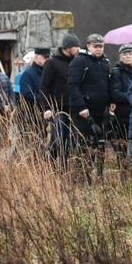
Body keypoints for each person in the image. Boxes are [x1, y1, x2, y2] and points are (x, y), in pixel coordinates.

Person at [67, 34, 113, 180]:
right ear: (88, 46)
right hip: (84, 110)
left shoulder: (105, 62)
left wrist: (110, 101)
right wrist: (81, 107)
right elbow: (73, 86)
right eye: (95, 46)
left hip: (100, 110)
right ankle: (83, 177)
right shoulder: (80, 60)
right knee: (85, 145)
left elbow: (106, 84)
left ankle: (98, 176)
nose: (98, 49)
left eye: (101, 46)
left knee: (98, 145)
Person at [41, 33, 81, 167]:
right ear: (67, 47)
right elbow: (44, 87)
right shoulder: (52, 63)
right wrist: (47, 108)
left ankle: (65, 168)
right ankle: (50, 167)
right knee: (57, 141)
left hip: (74, 108)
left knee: (71, 142)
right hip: (58, 109)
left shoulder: (76, 62)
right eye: (75, 46)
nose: (78, 49)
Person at [109, 43, 132, 144]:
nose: (128, 56)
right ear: (121, 57)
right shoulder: (117, 72)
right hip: (123, 115)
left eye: (130, 53)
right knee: (123, 144)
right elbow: (116, 94)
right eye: (125, 54)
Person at [19, 47, 50, 128]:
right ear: (36, 56)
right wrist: (45, 99)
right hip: (32, 114)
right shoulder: (28, 74)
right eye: (45, 57)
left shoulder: (47, 72)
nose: (47, 60)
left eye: (48, 57)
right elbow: (27, 94)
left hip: (47, 112)